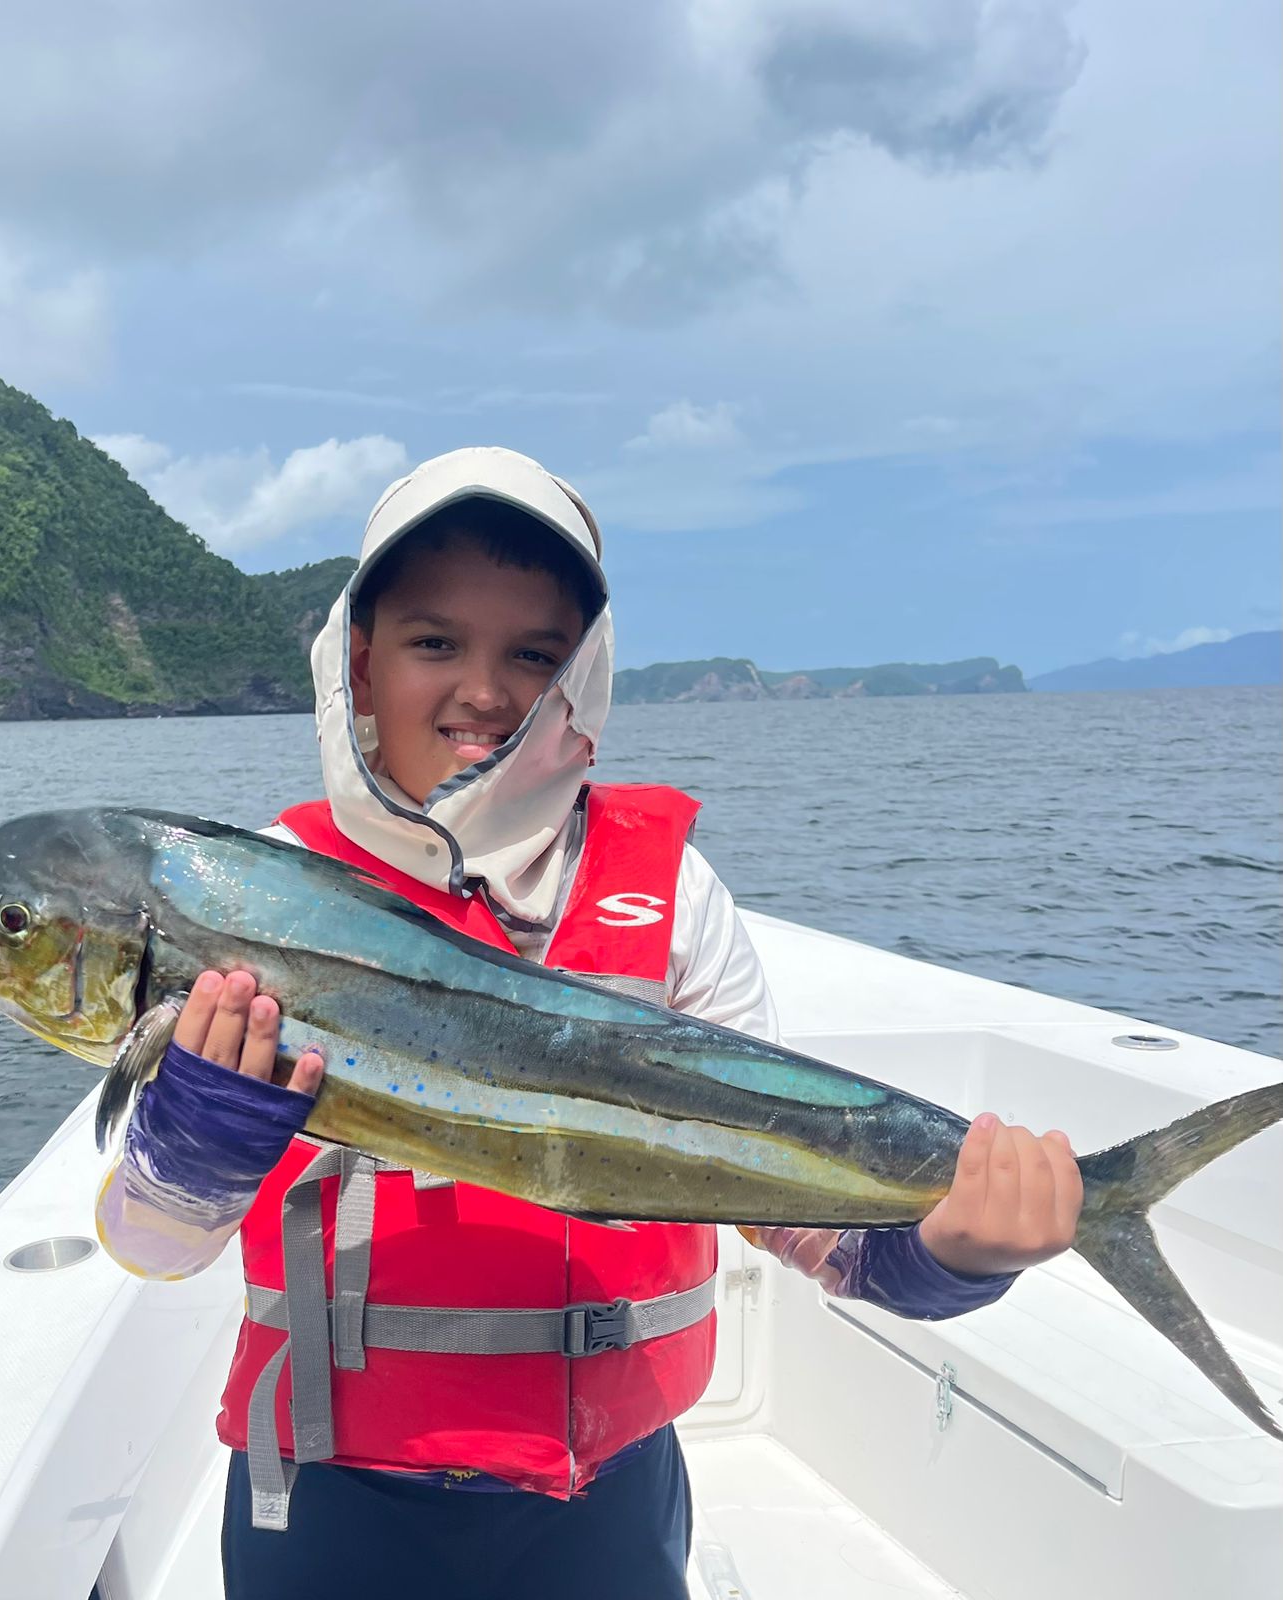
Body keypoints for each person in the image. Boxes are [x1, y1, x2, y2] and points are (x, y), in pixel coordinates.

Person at [95, 447, 1084, 1599]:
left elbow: (801, 1214)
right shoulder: (243, 897)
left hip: (604, 1500)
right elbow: (151, 1246)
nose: (483, 690)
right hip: (323, 1493)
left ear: (585, 677)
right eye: (434, 643)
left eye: (533, 653)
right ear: (357, 665)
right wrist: (194, 1147)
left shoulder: (672, 897)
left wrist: (948, 1258)